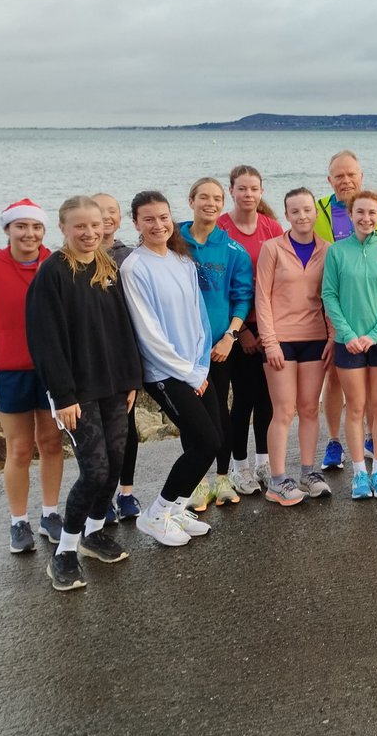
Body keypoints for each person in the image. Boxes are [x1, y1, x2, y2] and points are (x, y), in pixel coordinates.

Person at [25, 196, 143, 590]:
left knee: (115, 461)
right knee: (93, 471)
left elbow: (123, 328)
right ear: (63, 228)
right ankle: (65, 552)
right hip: (77, 391)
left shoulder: (108, 267)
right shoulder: (52, 273)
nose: (90, 232)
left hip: (114, 385)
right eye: (80, 226)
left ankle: (94, 533)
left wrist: (131, 381)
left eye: (95, 224)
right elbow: (46, 340)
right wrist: (62, 396)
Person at [0, 199, 66, 554]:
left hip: (52, 372)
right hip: (10, 373)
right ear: (7, 229)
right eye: (21, 226)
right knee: (19, 449)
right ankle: (18, 521)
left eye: (36, 227)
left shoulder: (56, 266)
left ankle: (50, 514)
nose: (29, 233)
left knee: (52, 444)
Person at [119, 191, 218, 546]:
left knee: (213, 439)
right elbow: (148, 332)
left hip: (195, 367)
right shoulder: (134, 267)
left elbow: (197, 318)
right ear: (136, 224)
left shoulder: (181, 259)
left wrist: (201, 366)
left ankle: (175, 507)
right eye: (149, 219)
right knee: (205, 441)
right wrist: (188, 373)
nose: (158, 225)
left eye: (163, 217)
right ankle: (156, 513)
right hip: (163, 374)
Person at [312, 150, 377, 470]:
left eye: (351, 175)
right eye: (339, 176)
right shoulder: (320, 208)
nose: (346, 180)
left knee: (375, 383)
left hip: (370, 308)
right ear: (329, 180)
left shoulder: (374, 209)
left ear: (361, 176)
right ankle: (335, 441)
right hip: (329, 305)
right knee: (334, 375)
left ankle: (375, 438)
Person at [321, 189, 377, 500]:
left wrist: (374, 334)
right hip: (348, 342)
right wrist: (349, 334)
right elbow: (329, 295)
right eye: (360, 212)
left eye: (372, 213)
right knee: (355, 408)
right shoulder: (337, 252)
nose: (366, 218)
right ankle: (359, 474)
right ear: (351, 215)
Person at [254, 188, 334, 505]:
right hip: (281, 341)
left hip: (315, 338)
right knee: (284, 410)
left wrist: (331, 337)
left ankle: (308, 473)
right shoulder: (271, 248)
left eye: (307, 210)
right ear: (286, 215)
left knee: (310, 409)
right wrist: (270, 342)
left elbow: (330, 299)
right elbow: (262, 298)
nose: (302, 216)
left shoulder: (328, 251)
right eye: (295, 211)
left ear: (315, 213)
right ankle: (277, 481)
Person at [180, 178, 255, 511]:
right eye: (203, 198)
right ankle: (197, 481)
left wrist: (230, 336)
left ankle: (223, 477)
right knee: (191, 415)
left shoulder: (232, 250)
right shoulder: (173, 242)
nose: (210, 203)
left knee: (220, 411)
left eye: (216, 198)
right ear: (191, 201)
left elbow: (242, 298)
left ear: (222, 204)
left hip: (219, 347)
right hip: (182, 348)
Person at [217, 165, 282, 494]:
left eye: (254, 189)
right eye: (242, 189)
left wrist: (269, 330)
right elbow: (219, 284)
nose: (248, 195)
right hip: (235, 328)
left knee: (268, 400)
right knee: (242, 399)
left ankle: (263, 463)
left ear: (261, 191)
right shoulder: (221, 227)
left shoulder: (271, 227)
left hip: (268, 325)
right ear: (231, 191)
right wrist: (239, 331)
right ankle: (239, 467)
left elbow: (279, 280)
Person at [93, 193, 142, 520]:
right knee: (98, 434)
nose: (107, 217)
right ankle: (101, 499)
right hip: (92, 360)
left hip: (126, 355)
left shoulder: (130, 257)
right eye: (100, 213)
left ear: (120, 218)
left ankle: (126, 493)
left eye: (112, 211)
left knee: (127, 427)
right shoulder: (74, 260)